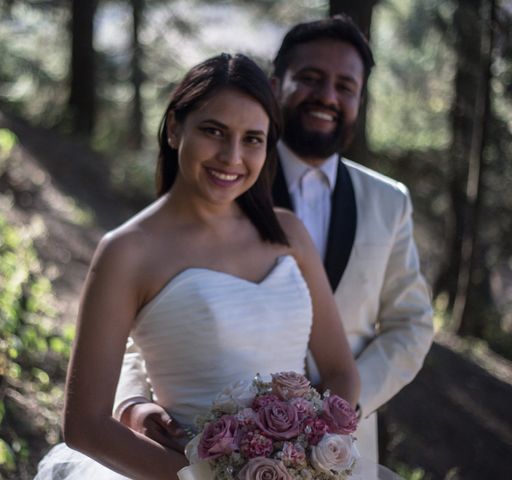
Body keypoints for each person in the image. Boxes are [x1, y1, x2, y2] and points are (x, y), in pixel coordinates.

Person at [115, 15, 435, 464]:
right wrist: (131, 403)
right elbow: (157, 316)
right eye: (310, 78)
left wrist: (339, 408)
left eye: (346, 86)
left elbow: (412, 324)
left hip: (334, 452)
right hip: (205, 447)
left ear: (360, 100)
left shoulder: (389, 202)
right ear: (274, 83)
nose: (327, 96)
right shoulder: (224, 178)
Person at [35, 53, 360, 480]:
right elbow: (85, 425)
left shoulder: (290, 235)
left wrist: (316, 456)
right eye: (213, 131)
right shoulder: (127, 252)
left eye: (252, 139)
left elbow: (340, 371)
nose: (231, 156)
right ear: (174, 129)